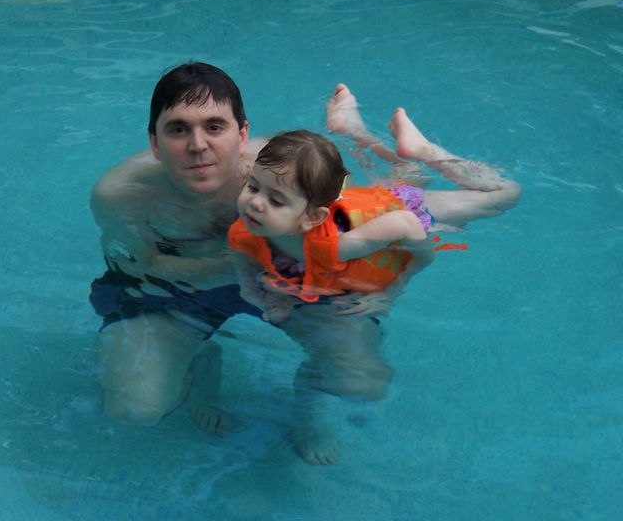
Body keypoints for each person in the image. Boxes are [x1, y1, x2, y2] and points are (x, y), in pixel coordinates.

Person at [228, 86, 520, 464]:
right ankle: (352, 127)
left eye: (275, 199)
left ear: (313, 217)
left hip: (399, 212)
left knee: (504, 194)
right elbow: (246, 271)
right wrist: (268, 298)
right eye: (253, 187)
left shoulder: (337, 245)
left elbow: (407, 226)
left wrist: (392, 291)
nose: (255, 202)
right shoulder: (246, 230)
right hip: (363, 206)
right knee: (400, 177)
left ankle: (426, 151)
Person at [90, 62, 268, 435]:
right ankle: (200, 360)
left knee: (359, 377)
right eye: (178, 129)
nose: (198, 145)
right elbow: (141, 268)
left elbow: (350, 222)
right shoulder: (123, 195)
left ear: (242, 135)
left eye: (214, 127)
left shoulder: (278, 169)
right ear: (155, 142)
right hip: (175, 295)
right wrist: (238, 265)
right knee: (132, 409)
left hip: (267, 280)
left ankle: (314, 416)